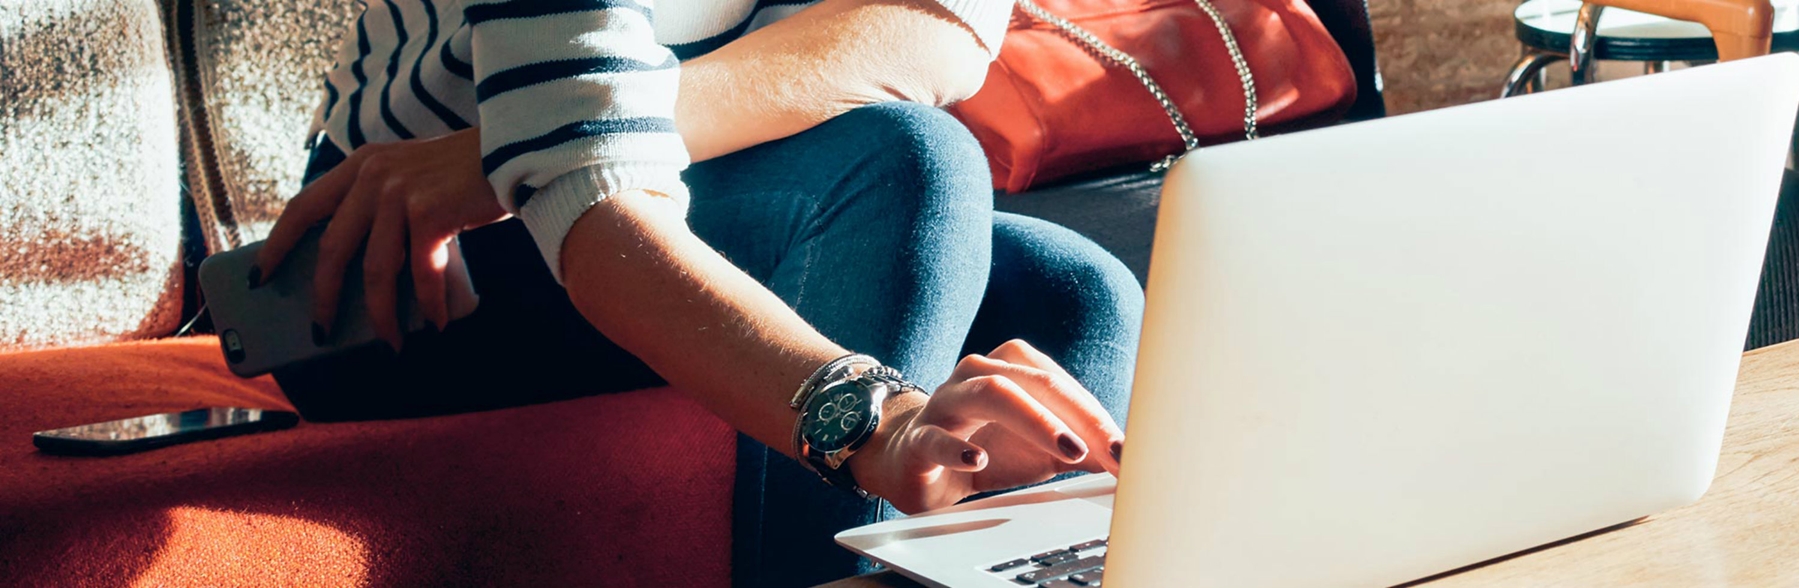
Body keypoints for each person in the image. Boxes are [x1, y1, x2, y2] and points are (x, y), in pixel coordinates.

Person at [250, 0, 1143, 583]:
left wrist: (571, 133)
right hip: (392, 268)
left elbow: (933, 32)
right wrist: (875, 421)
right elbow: (598, 210)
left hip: (685, 179)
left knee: (1072, 295)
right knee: (907, 164)